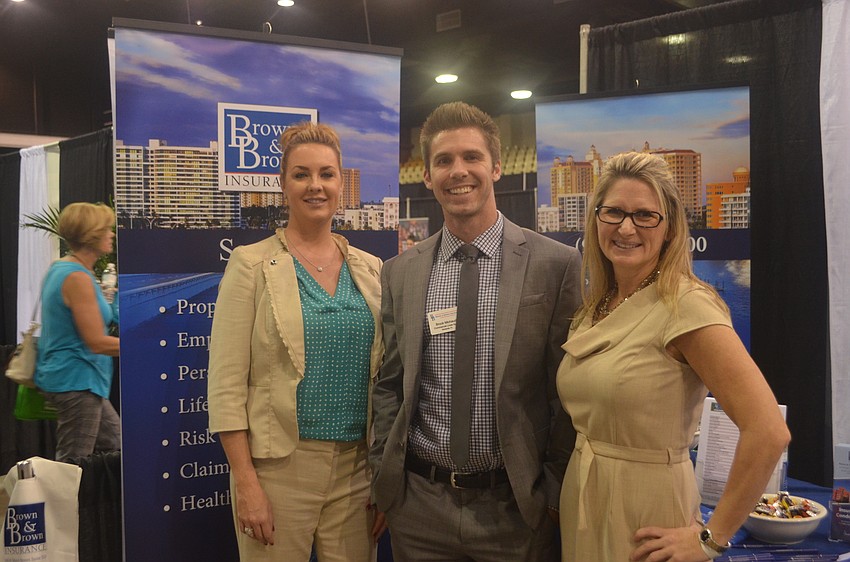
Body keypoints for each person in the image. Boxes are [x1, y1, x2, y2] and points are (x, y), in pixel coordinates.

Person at [370, 101, 582, 561]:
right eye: (443, 161)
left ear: (497, 167)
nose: (457, 171)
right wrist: (383, 473)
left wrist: (552, 490)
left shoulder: (555, 265)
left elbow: (566, 390)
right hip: (419, 510)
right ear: (426, 175)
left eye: (471, 157)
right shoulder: (400, 272)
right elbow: (391, 383)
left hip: (516, 511)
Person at [556, 151, 791, 561]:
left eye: (645, 215)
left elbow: (769, 431)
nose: (626, 227)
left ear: (669, 229)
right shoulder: (596, 306)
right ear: (596, 220)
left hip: (649, 514)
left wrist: (711, 538)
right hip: (583, 498)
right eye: (613, 212)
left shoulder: (687, 305)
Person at [208, 122, 386, 562]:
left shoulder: (372, 268)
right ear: (282, 184)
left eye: (327, 174)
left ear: (341, 183)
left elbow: (388, 379)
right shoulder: (250, 265)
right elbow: (227, 385)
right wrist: (246, 482)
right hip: (277, 471)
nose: (315, 186)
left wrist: (383, 476)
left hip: (357, 472)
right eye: (301, 174)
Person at [35, 202, 121, 463]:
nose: (112, 234)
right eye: (106, 229)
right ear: (92, 235)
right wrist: (143, 348)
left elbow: (99, 317)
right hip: (76, 380)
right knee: (71, 464)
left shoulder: (65, 268)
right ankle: (60, 505)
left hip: (81, 380)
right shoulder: (77, 278)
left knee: (117, 445)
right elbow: (96, 342)